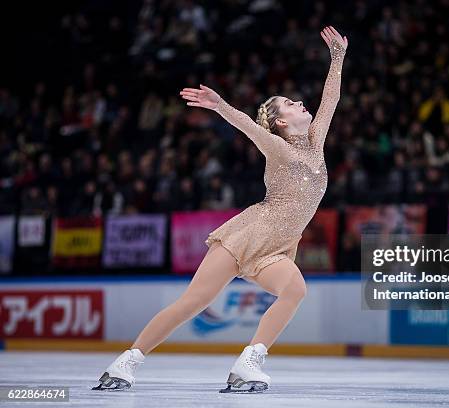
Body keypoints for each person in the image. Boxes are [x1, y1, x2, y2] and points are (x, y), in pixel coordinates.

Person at [92, 26, 348, 393]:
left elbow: (331, 99)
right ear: (280, 122)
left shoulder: (316, 141)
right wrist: (220, 106)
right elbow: (248, 126)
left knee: (294, 290)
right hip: (249, 234)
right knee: (194, 302)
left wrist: (337, 56)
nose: (298, 102)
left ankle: (249, 363)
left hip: (276, 248)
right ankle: (126, 362)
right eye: (288, 104)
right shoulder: (278, 148)